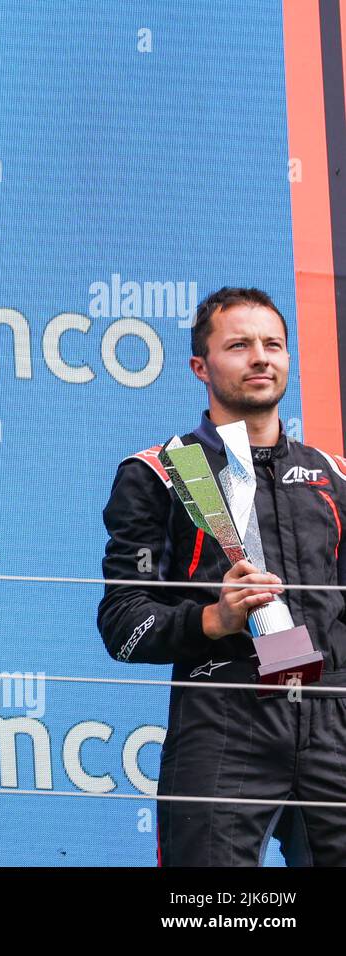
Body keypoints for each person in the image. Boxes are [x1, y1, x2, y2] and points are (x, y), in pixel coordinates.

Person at [97, 286, 346, 866]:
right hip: (224, 719)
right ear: (200, 367)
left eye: (273, 344)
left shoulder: (333, 477)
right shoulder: (160, 472)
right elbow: (121, 624)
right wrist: (216, 618)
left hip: (333, 722)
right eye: (239, 345)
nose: (261, 357)